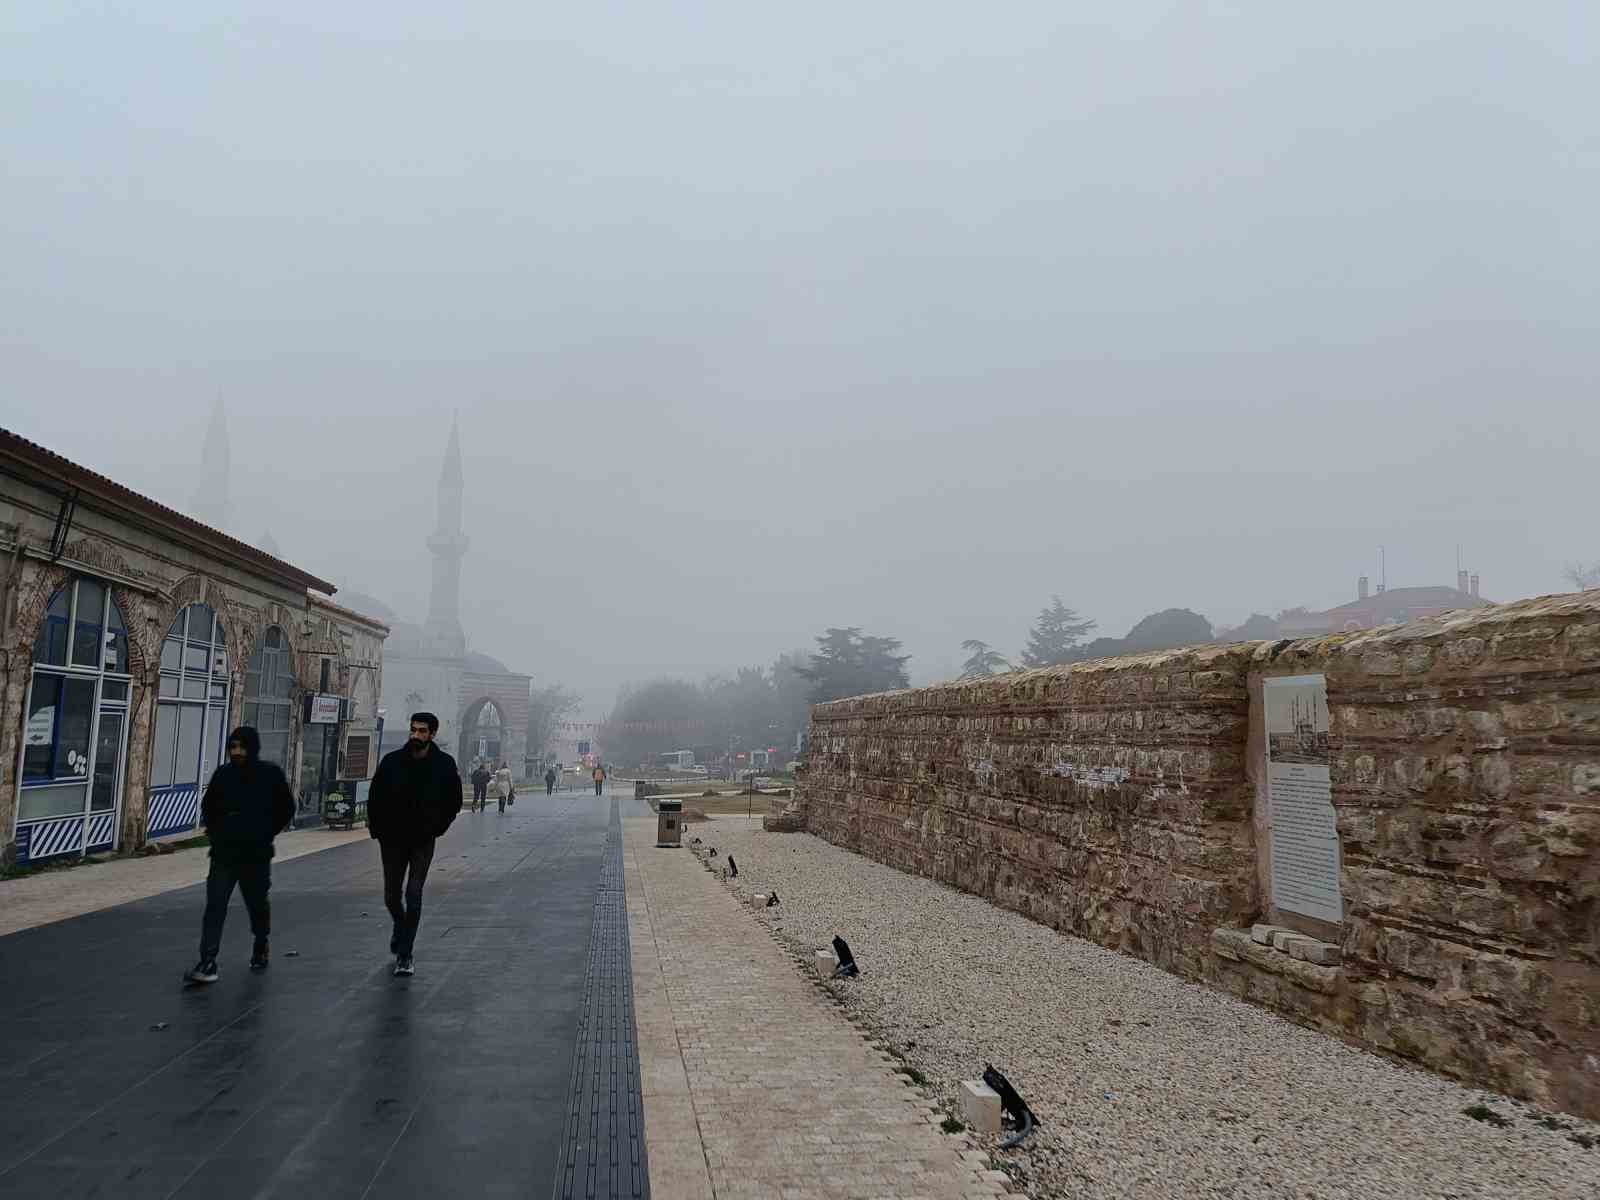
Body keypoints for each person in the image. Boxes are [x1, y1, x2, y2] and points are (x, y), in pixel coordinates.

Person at [186, 726, 296, 984]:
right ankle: (208, 960)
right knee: (215, 905)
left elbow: (286, 807)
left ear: (252, 748)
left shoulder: (270, 775)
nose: (236, 752)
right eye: (232, 747)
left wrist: (265, 832)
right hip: (224, 854)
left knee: (257, 904)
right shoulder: (223, 776)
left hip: (255, 856)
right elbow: (208, 808)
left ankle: (261, 941)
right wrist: (217, 832)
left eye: (241, 747)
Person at [367, 712, 462, 976]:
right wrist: (377, 829)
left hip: (422, 839)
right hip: (393, 839)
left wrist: (438, 827)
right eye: (414, 730)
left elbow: (454, 800)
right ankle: (401, 926)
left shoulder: (443, 764)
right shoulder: (392, 762)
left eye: (422, 731)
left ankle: (405, 954)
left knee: (414, 893)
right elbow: (376, 796)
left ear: (432, 734)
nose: (417, 735)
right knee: (391, 896)